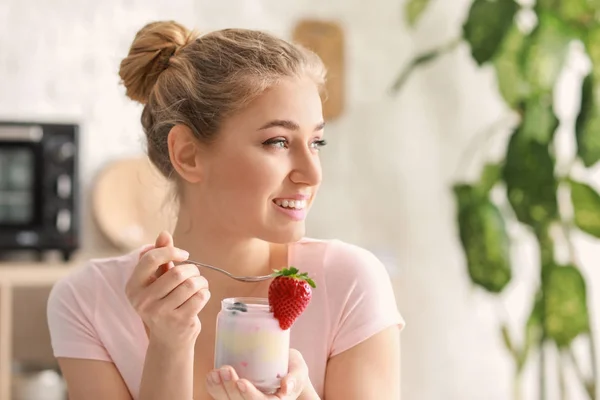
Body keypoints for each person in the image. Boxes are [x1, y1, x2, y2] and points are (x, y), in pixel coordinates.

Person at [47, 20, 405, 400]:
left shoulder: (349, 282)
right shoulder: (88, 301)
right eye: (278, 141)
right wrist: (169, 346)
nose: (312, 173)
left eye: (316, 142)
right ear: (188, 154)